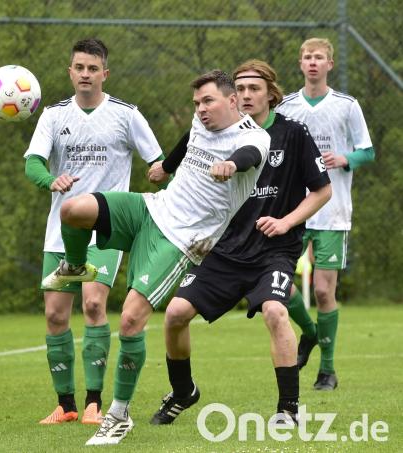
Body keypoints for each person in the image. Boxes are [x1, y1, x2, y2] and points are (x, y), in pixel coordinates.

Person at [42, 70, 270, 445]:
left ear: (232, 101)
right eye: (197, 103)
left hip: (182, 240)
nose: (201, 110)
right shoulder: (201, 123)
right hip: (152, 208)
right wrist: (166, 167)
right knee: (73, 210)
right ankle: (77, 265)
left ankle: (117, 415)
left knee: (130, 319)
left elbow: (249, 156)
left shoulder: (252, 138)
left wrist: (231, 165)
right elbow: (187, 142)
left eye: (208, 101)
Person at [147, 60, 332, 426]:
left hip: (273, 251)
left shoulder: (293, 134)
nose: (247, 95)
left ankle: (288, 410)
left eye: (254, 89)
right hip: (225, 248)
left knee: (276, 312)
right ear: (233, 98)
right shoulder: (214, 131)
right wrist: (165, 170)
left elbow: (323, 191)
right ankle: (183, 392)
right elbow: (186, 147)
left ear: (271, 94)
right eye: (241, 89)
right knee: (174, 315)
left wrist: (286, 222)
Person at [24, 38, 163, 425]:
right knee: (54, 315)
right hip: (61, 229)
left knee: (94, 305)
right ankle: (66, 405)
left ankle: (94, 403)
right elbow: (32, 163)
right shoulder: (53, 116)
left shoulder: (125, 115)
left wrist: (158, 171)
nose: (85, 74)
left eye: (92, 68)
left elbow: (158, 160)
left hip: (106, 228)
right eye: (79, 67)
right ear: (70, 72)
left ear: (105, 73)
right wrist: (50, 180)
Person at [276, 38, 375, 391]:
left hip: (333, 213)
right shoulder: (287, 106)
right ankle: (311, 332)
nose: (313, 62)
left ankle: (327, 371)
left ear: (330, 64)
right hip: (293, 212)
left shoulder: (346, 105)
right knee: (279, 287)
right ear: (300, 64)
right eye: (307, 57)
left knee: (322, 291)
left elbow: (368, 151)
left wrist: (347, 158)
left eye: (319, 57)